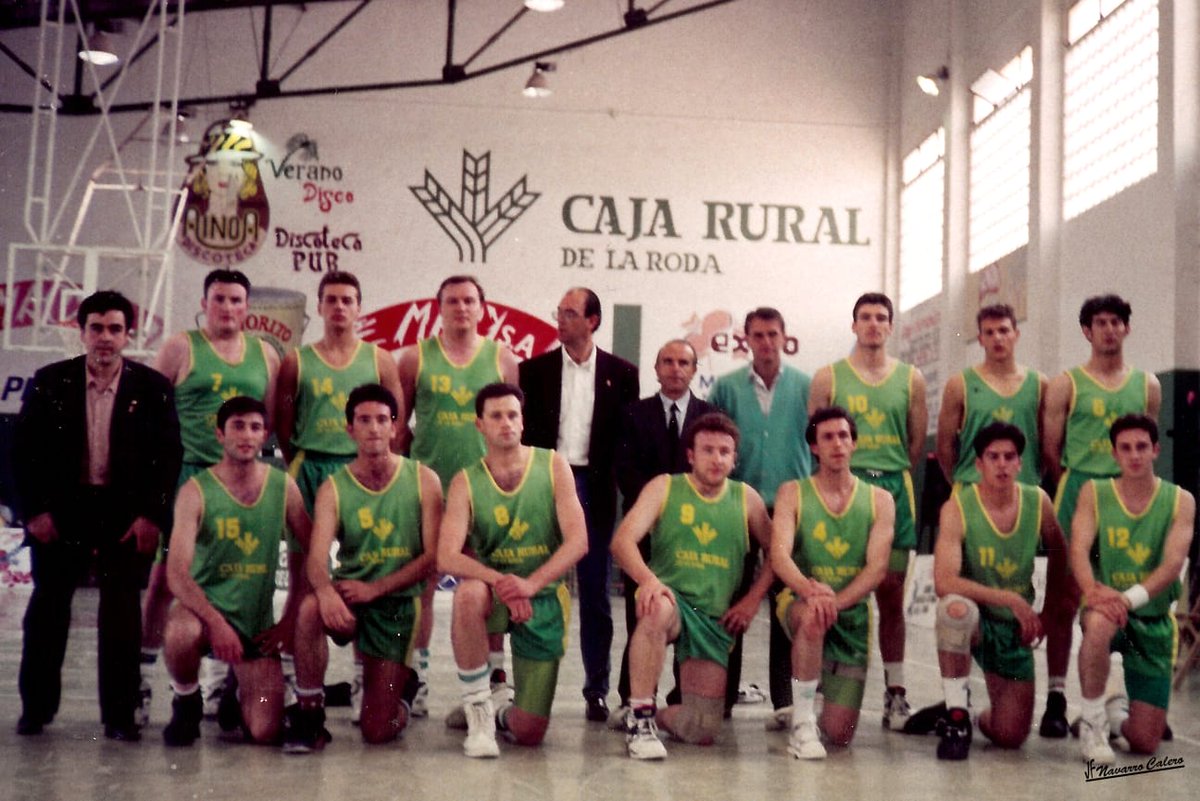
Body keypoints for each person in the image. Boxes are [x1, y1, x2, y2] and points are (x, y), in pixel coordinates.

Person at [14, 290, 182, 740]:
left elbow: (168, 461)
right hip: (61, 513)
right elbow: (21, 454)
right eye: (96, 328)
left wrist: (151, 518)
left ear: (129, 334)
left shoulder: (152, 389)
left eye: (114, 329)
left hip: (125, 516)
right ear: (81, 330)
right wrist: (35, 513)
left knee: (123, 613)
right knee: (47, 609)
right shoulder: (50, 381)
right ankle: (36, 710)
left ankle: (120, 716)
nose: (105, 338)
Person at [141, 268, 279, 723]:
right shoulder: (181, 347)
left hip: (242, 482)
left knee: (236, 577)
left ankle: (226, 683)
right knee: (164, 580)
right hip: (189, 478)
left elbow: (272, 420)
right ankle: (141, 681)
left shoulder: (266, 355)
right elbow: (147, 408)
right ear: (205, 303)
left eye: (237, 300)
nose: (228, 308)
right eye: (219, 299)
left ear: (247, 306)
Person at [286, 384, 442, 751]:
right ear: (349, 429)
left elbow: (433, 558)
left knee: (378, 730)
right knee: (309, 609)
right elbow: (316, 555)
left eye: (381, 420)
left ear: (395, 427)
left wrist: (377, 588)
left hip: (397, 603)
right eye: (364, 420)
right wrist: (325, 591)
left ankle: (403, 690)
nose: (373, 428)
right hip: (351, 597)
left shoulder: (424, 480)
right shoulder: (334, 488)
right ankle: (310, 713)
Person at [437, 383, 588, 758]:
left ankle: (501, 707)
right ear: (480, 426)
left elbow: (578, 542)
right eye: (496, 416)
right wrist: (504, 584)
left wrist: (531, 585)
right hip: (496, 591)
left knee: (529, 732)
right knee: (468, 592)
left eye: (512, 415)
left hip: (542, 593)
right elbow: (447, 557)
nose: (506, 423)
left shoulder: (553, 465)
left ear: (522, 422)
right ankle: (479, 710)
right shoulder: (465, 481)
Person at [612, 412, 773, 760]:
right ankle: (640, 716)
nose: (716, 459)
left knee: (700, 729)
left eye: (724, 452)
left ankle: (648, 715)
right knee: (658, 609)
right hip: (670, 597)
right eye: (708, 450)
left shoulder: (747, 499)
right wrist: (650, 581)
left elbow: (779, 555)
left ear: (735, 459)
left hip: (711, 616)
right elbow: (622, 542)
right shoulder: (664, 487)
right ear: (691, 455)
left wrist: (751, 601)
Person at [397, 275, 519, 717]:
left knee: (485, 585)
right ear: (439, 307)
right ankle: (418, 679)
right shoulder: (414, 359)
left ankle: (494, 678)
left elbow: (511, 433)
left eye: (469, 300)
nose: (461, 308)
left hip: (485, 492)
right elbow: (398, 428)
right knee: (421, 589)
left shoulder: (502, 359)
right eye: (452, 301)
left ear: (482, 308)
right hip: (429, 490)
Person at [1041, 293, 1161, 737]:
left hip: (1127, 500)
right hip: (1079, 488)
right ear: (1086, 332)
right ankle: (1056, 696)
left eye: (1116, 322)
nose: (1109, 329)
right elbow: (1051, 448)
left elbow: (1145, 441)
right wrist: (1077, 486)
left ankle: (1121, 701)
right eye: (1100, 323)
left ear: (1127, 328)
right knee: (1065, 599)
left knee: (1122, 600)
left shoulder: (1147, 384)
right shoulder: (1066, 383)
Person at [160, 397, 311, 747]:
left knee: (264, 732)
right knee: (179, 633)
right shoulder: (196, 491)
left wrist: (289, 619)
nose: (246, 435)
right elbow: (177, 574)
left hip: (254, 626)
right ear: (219, 434)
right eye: (238, 426)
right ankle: (186, 700)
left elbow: (310, 552)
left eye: (255, 427)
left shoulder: (282, 486)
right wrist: (215, 623)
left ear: (265, 436)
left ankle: (235, 689)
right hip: (204, 614)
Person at [518, 287, 639, 722]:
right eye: (559, 312)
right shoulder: (533, 371)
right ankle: (522, 687)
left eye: (570, 313)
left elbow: (624, 440)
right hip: (545, 482)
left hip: (595, 488)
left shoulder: (622, 373)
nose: (561, 319)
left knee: (595, 593)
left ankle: (596, 688)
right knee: (532, 579)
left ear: (593, 321)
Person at [808, 293, 927, 729]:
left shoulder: (911, 378)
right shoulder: (828, 377)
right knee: (833, 588)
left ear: (891, 327)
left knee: (891, 596)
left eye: (881, 318)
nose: (874, 324)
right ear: (853, 324)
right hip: (842, 491)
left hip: (892, 488)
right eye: (866, 317)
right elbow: (815, 436)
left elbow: (916, 443)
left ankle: (895, 693)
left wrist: (886, 477)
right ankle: (822, 685)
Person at [930, 422, 1070, 760]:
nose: (1002, 464)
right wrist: (1008, 598)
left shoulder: (1038, 501)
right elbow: (944, 581)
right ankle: (956, 716)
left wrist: (1049, 611)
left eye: (1010, 457)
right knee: (954, 610)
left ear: (1020, 464)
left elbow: (1060, 554)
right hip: (976, 618)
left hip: (1013, 628)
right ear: (979, 465)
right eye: (993, 457)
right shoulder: (957, 508)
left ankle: (970, 717)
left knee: (1011, 736)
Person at [769, 406, 895, 759]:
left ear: (854, 444)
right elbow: (779, 556)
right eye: (827, 437)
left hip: (850, 612)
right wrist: (812, 593)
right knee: (812, 617)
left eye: (844, 436)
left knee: (840, 735)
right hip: (801, 601)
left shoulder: (880, 500)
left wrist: (834, 603)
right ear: (813, 447)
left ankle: (806, 702)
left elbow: (877, 569)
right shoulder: (792, 492)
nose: (837, 443)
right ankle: (803, 725)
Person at [707, 306, 812, 725]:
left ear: (784, 338)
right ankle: (724, 696)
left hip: (791, 507)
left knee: (784, 599)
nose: (766, 342)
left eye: (773, 334)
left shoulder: (807, 386)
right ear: (745, 340)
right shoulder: (727, 387)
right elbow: (713, 439)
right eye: (758, 335)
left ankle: (784, 700)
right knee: (733, 599)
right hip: (739, 505)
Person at [1070, 414, 1194, 765]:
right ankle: (1092, 724)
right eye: (1125, 448)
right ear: (1115, 454)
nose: (1134, 455)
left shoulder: (1180, 501)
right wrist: (1091, 591)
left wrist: (1127, 599)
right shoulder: (1095, 493)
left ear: (1155, 449)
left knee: (1144, 743)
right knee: (1097, 623)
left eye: (1142, 447)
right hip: (1106, 607)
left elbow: (1172, 566)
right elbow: (1078, 548)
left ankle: (1114, 713)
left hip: (1151, 618)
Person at [610, 339, 715, 723]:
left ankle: (679, 695)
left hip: (696, 534)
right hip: (647, 531)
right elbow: (625, 469)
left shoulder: (709, 415)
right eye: (667, 362)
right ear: (656, 369)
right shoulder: (633, 414)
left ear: (694, 369)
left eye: (683, 362)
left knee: (689, 614)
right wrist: (658, 509)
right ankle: (632, 697)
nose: (675, 369)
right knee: (644, 615)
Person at [277, 271, 404, 511]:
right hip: (310, 464)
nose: (339, 306)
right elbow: (283, 424)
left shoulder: (380, 360)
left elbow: (397, 419)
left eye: (347, 301)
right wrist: (298, 463)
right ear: (319, 307)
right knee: (304, 547)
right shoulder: (297, 361)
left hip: (363, 464)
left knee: (364, 546)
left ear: (359, 308)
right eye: (331, 300)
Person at [936, 304, 1046, 487]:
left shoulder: (1040, 384)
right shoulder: (959, 385)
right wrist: (962, 479)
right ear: (980, 339)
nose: (997, 338)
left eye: (1003, 330)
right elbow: (944, 446)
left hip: (1024, 487)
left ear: (1016, 335)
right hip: (973, 488)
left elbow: (1046, 444)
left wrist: (1030, 475)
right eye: (989, 332)